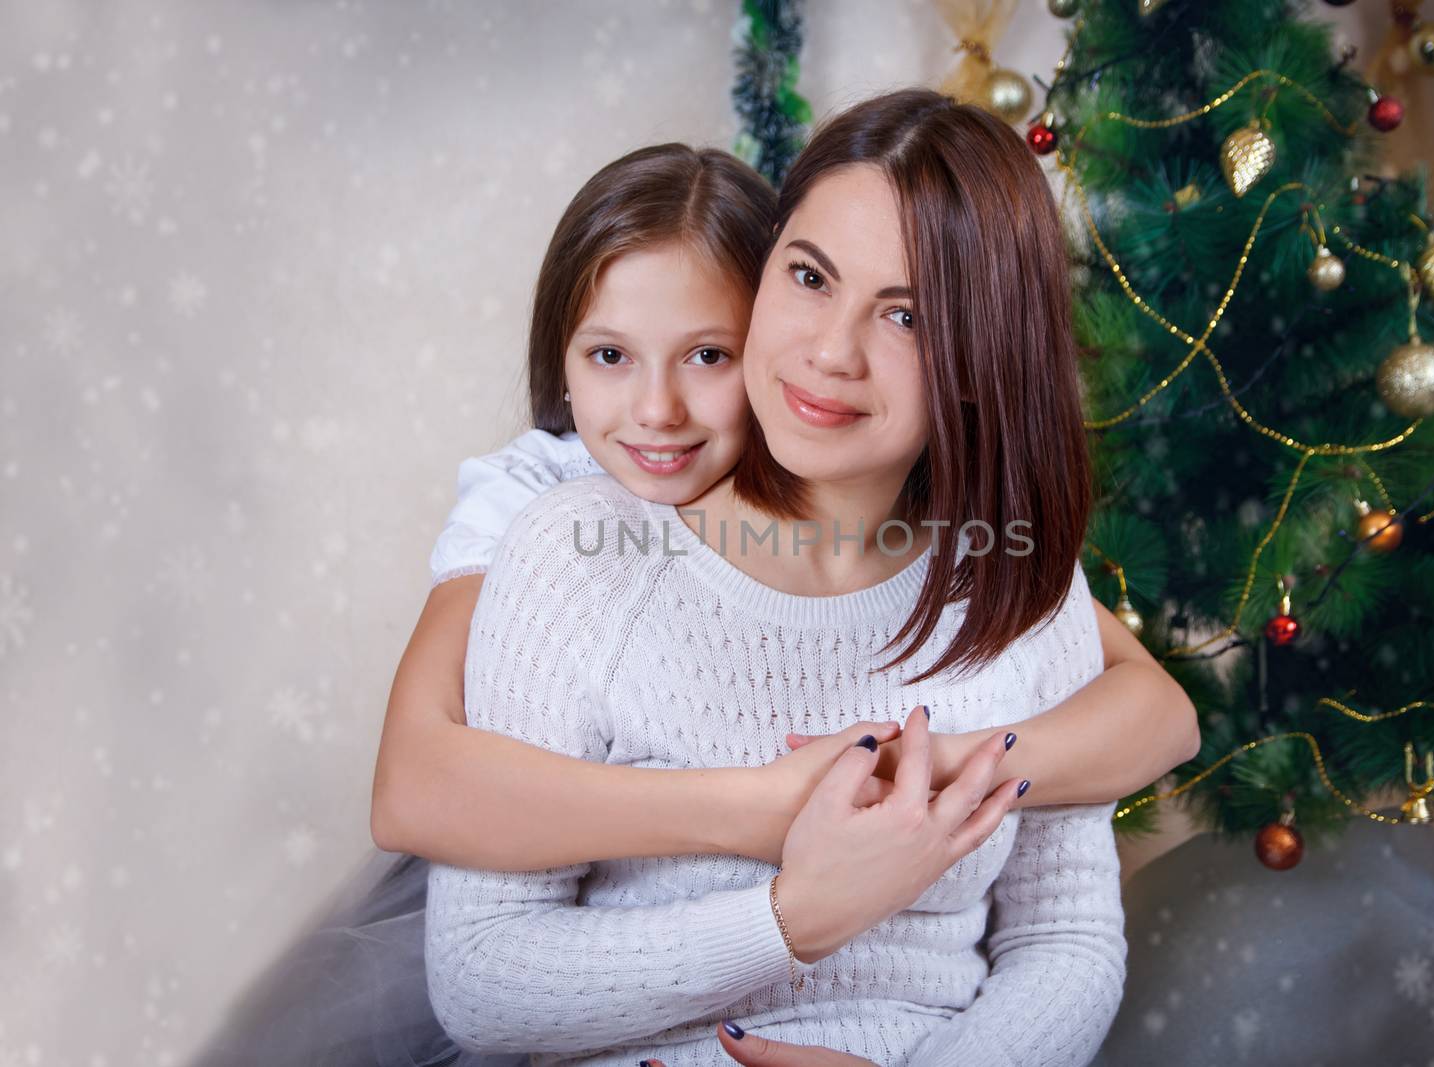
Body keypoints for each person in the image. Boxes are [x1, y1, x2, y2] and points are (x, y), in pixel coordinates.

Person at [188, 100, 1197, 1067]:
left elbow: (1063, 938)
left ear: (985, 354)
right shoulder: (573, 543)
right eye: (809, 278)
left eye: (906, 316)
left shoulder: (1015, 573)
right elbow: (479, 968)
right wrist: (787, 917)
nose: (830, 351)